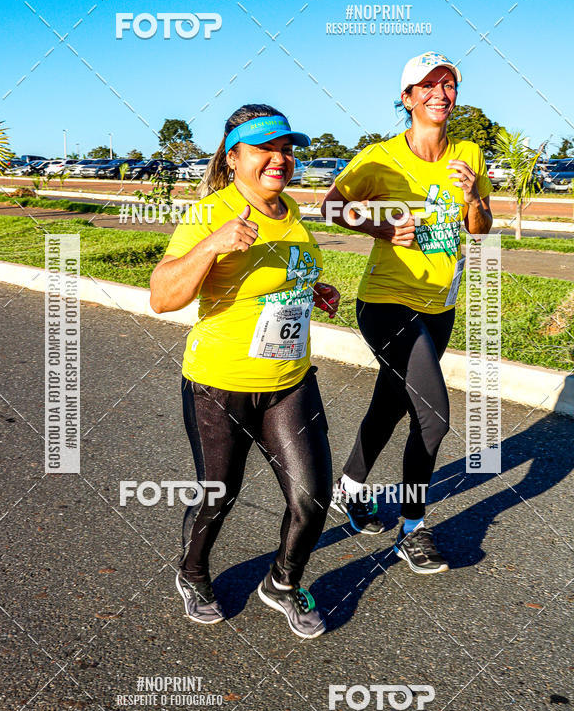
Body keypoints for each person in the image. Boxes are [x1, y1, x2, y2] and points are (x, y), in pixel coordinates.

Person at [150, 104, 341, 638]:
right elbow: (162, 297)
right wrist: (213, 244)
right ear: (233, 157)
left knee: (311, 499)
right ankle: (193, 572)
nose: (279, 158)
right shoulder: (210, 213)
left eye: (286, 148)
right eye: (264, 148)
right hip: (221, 382)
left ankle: (282, 582)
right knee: (219, 494)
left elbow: (277, 281)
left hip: (289, 381)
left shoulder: (292, 211)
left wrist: (311, 291)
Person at [321, 52, 493, 573]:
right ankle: (412, 529)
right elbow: (331, 206)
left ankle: (349, 489)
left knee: (391, 402)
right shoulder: (381, 158)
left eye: (448, 85)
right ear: (408, 97)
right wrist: (381, 228)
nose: (440, 94)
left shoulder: (469, 154)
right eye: (427, 86)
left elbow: (481, 229)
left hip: (440, 305)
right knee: (434, 417)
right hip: (386, 302)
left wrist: (473, 198)